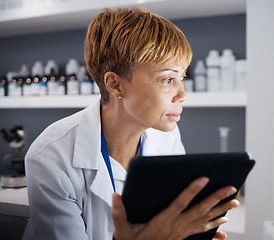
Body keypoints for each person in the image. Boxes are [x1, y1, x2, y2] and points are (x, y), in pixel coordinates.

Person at [23, 7, 239, 240]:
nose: (183, 94)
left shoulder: (166, 136)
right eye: (168, 79)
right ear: (116, 85)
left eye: (182, 77)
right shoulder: (51, 156)